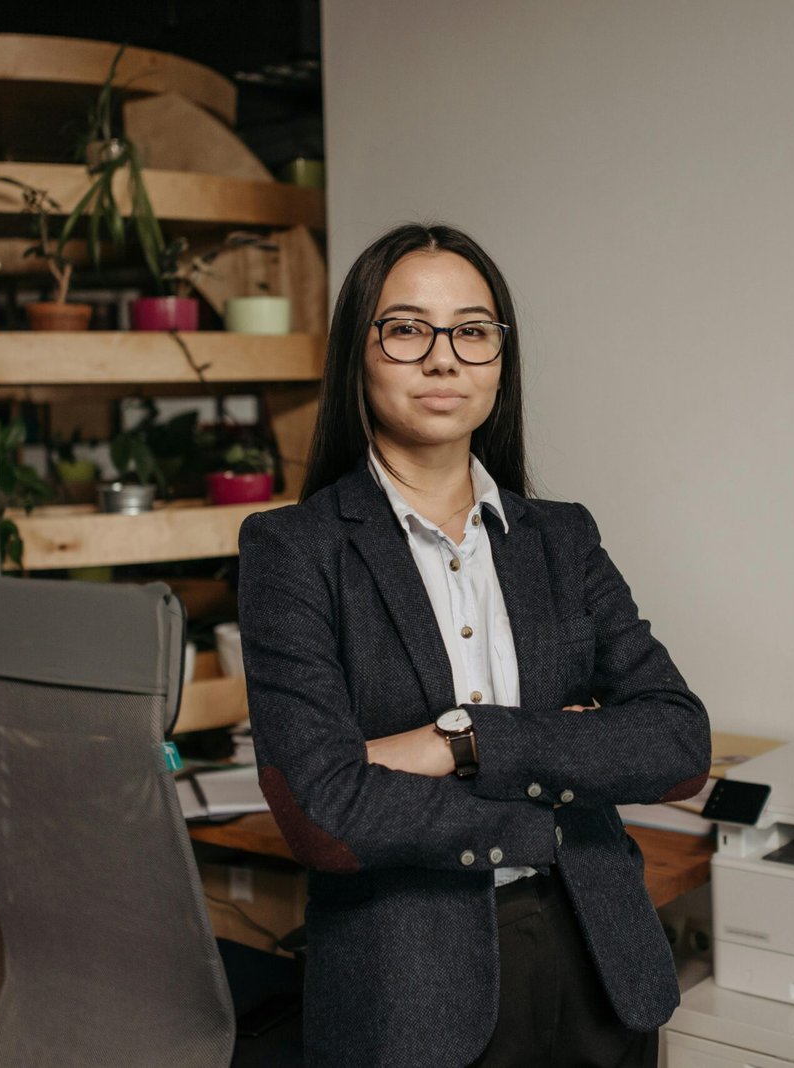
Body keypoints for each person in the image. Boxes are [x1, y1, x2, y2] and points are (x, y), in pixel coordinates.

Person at [237, 223, 711, 1067]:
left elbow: (678, 745)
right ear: (359, 352)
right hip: (409, 988)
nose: (444, 358)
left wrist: (465, 740)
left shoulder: (562, 539)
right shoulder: (295, 551)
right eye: (408, 328)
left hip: (601, 960)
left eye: (473, 330)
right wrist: (567, 773)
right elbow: (322, 810)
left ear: (500, 356)